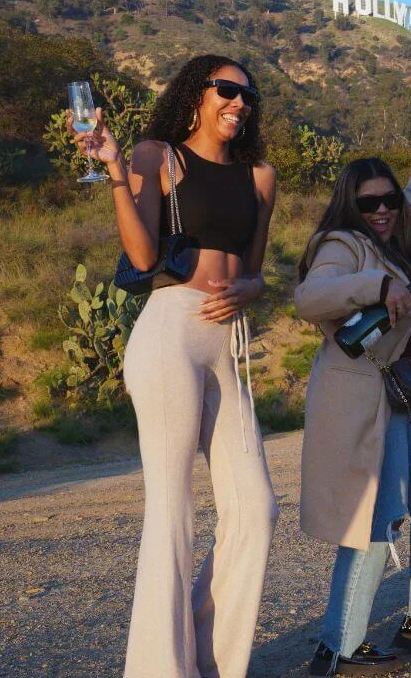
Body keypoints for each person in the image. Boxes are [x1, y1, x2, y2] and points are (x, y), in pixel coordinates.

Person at [73, 55, 279, 678]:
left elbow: (255, 269)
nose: (239, 103)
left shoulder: (261, 177)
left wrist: (255, 289)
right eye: (226, 90)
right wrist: (114, 170)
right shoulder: (156, 156)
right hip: (170, 332)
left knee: (256, 509)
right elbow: (140, 252)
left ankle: (208, 661)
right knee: (173, 507)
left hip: (229, 342)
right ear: (196, 93)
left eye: (248, 96)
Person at [294, 103, 411, 676]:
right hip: (364, 406)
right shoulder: (342, 246)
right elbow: (310, 298)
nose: (380, 210)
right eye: (367, 202)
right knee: (374, 518)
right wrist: (374, 284)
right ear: (351, 206)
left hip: (399, 404)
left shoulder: (401, 233)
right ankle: (341, 646)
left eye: (388, 200)